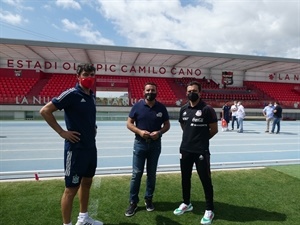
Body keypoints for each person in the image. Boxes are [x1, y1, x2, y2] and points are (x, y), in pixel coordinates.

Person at [40, 63, 103, 225]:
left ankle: (83, 218)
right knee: (71, 189)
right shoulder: (71, 94)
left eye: (92, 74)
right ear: (78, 76)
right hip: (75, 150)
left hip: (90, 147)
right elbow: (45, 111)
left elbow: (87, 116)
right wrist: (62, 132)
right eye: (86, 74)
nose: (89, 77)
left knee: (87, 182)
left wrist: (92, 127)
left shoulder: (92, 95)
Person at [173, 81, 218, 225]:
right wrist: (190, 139)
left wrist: (201, 140)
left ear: (200, 92)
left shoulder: (207, 109)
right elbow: (183, 126)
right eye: (189, 91)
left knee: (205, 180)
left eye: (194, 90)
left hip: (201, 151)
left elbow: (214, 129)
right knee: (185, 178)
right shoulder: (184, 109)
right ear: (186, 93)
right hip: (185, 150)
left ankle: (209, 210)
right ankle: (187, 203)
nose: (191, 93)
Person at [125, 82, 170, 217]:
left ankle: (148, 199)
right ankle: (133, 202)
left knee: (152, 174)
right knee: (136, 174)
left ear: (156, 92)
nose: (150, 92)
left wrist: (160, 133)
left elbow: (167, 125)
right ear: (143, 92)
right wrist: (139, 132)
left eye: (153, 90)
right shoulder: (137, 106)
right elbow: (129, 123)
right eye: (148, 90)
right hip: (140, 144)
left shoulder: (161, 108)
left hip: (155, 145)